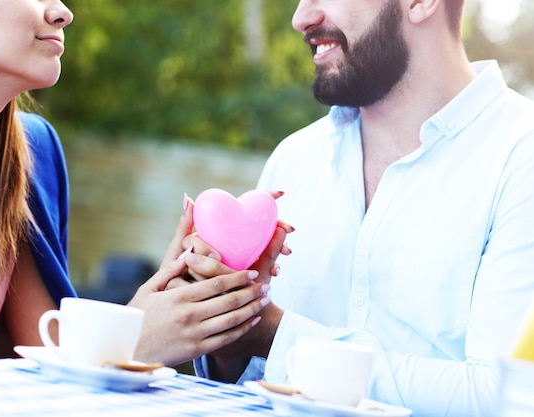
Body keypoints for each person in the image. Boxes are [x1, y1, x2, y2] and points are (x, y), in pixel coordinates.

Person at [181, 0, 534, 415]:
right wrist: (226, 321)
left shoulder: (520, 158)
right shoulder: (293, 160)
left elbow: (506, 399)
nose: (301, 18)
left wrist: (274, 334)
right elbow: (247, 383)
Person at [0, 0, 277, 366]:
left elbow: (54, 364)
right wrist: (130, 341)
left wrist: (171, 294)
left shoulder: (32, 158)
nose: (62, 12)